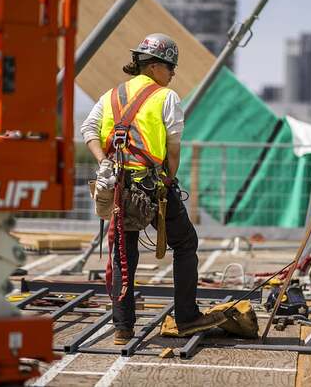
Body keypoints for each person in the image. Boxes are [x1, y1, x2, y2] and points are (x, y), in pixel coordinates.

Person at [81, 33, 225, 345]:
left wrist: (103, 161)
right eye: (171, 67)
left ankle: (122, 327)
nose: (173, 73)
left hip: (118, 185)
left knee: (123, 256)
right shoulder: (166, 97)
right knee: (185, 243)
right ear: (156, 66)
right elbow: (174, 148)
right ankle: (187, 316)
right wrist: (169, 179)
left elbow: (89, 130)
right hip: (150, 185)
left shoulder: (111, 96)